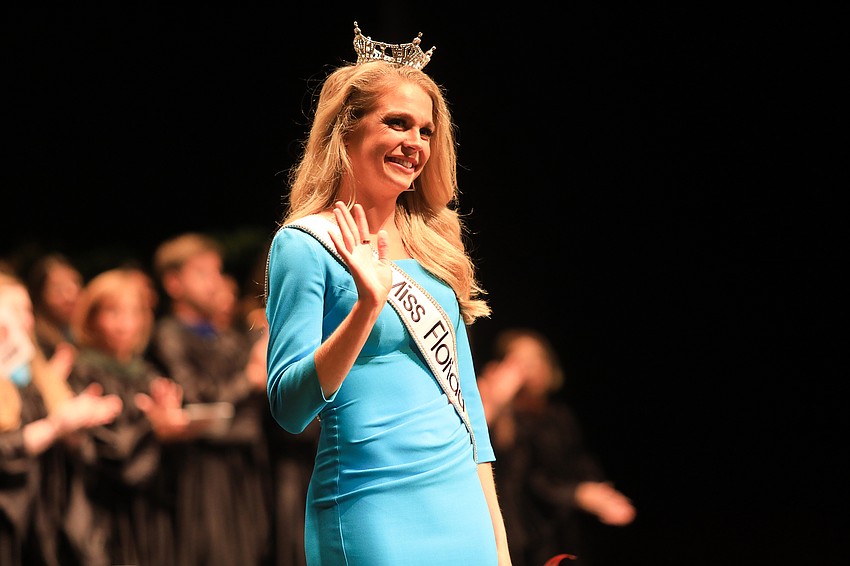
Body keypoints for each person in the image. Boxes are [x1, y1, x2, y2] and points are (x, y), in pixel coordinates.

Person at [264, 21, 511, 566]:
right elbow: (288, 406)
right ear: (344, 132)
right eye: (397, 124)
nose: (415, 144)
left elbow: (468, 406)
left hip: (461, 509)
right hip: (370, 507)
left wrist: (497, 538)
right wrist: (367, 306)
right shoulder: (306, 244)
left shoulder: (435, 247)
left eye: (426, 131)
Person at [146, 232, 271, 566]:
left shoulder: (228, 337)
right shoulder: (168, 336)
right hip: (202, 475)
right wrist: (249, 379)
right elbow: (198, 400)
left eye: (217, 272)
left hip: (243, 468)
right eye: (202, 273)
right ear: (173, 282)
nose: (214, 283)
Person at [477, 328, 636, 566]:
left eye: (537, 357)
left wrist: (596, 491)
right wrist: (577, 494)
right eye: (521, 361)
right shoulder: (507, 421)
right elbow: (529, 482)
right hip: (526, 540)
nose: (533, 367)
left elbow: (578, 461)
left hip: (565, 535)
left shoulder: (559, 416)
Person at [65, 268, 191, 566]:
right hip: (105, 514)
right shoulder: (83, 373)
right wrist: (153, 427)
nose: (125, 324)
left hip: (151, 514)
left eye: (134, 313)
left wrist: (175, 428)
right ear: (92, 317)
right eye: (113, 312)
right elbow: (106, 454)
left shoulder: (147, 375)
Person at [1, 272, 123, 566]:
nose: (24, 320)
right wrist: (56, 425)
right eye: (12, 310)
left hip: (48, 518)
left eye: (27, 309)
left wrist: (79, 422)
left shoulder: (35, 374)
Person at [25, 253, 83, 357]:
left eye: (74, 285)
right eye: (58, 290)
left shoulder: (79, 332)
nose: (71, 297)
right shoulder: (36, 341)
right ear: (39, 295)